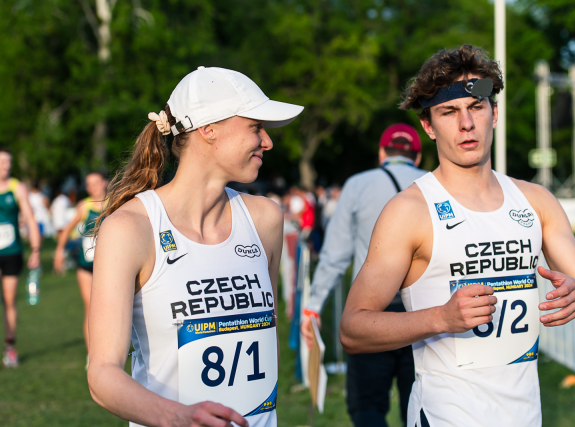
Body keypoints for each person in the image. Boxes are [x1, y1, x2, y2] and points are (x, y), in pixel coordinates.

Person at [339, 45, 575, 427]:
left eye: (476, 106)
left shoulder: (536, 200)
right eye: (448, 112)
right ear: (428, 126)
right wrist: (440, 318)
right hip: (444, 417)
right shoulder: (409, 211)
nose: (466, 123)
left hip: (525, 417)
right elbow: (353, 329)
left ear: (494, 113)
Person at [87, 66, 303, 427]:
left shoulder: (265, 218)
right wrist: (179, 416)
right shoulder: (130, 228)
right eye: (255, 127)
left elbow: (266, 337)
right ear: (209, 128)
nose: (267, 141)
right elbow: (102, 375)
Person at [301, 123, 426, 427]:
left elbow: (335, 254)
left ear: (382, 153)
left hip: (371, 313)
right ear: (418, 156)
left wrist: (313, 307)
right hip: (424, 314)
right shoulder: (434, 184)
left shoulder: (358, 184)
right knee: (423, 408)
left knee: (367, 407)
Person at [53, 172, 109, 355]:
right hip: (86, 264)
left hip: (110, 266)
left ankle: (111, 351)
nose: (93, 187)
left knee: (111, 309)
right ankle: (92, 355)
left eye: (96, 182)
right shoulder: (84, 206)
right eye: (89, 184)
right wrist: (59, 252)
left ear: (104, 183)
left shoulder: (116, 203)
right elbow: (67, 229)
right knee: (91, 308)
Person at [0, 147, 41, 367]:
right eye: (1, 162)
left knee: (9, 301)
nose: (5, 166)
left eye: (8, 162)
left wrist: (35, 249)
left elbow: (30, 218)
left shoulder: (17, 187)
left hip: (11, 252)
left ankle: (10, 348)